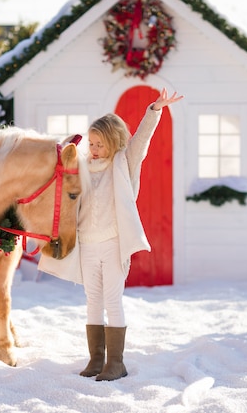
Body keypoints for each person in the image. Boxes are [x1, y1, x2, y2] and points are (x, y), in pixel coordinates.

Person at [39, 88, 184, 381]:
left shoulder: (123, 163)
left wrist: (155, 109)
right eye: (91, 143)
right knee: (93, 300)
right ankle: (96, 360)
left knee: (112, 299)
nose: (93, 149)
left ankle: (116, 363)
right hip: (88, 245)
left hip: (113, 244)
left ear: (114, 143)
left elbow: (141, 141)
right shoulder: (82, 167)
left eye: (99, 144)